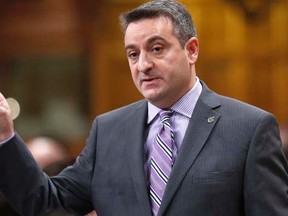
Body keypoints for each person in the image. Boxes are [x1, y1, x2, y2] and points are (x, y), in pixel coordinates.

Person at [0, 0, 288, 215]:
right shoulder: (108, 129)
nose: (143, 65)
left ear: (191, 50)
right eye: (133, 54)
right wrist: (5, 137)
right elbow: (47, 201)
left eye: (157, 48)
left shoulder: (250, 127)